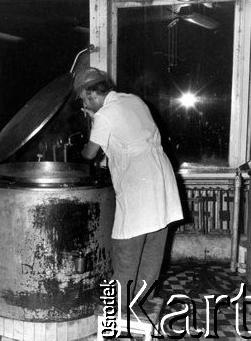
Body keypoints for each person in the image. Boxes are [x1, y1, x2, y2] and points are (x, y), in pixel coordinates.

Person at [74, 67, 183, 309]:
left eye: (85, 100)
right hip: (162, 179)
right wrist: (96, 118)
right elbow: (126, 131)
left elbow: (90, 153)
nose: (86, 105)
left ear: (91, 95)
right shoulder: (133, 100)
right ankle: (141, 306)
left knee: (126, 255)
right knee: (153, 249)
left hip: (138, 183)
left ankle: (117, 317)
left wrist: (83, 142)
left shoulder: (104, 116)